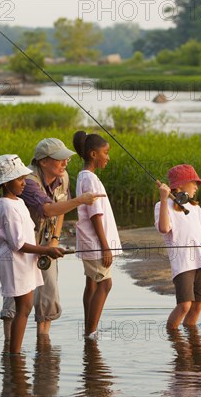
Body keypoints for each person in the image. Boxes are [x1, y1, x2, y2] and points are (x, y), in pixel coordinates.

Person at [0, 138, 104, 340]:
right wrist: (81, 200)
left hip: (47, 241)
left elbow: (61, 208)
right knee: (17, 295)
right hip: (21, 244)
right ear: (43, 161)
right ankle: (9, 345)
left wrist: (55, 239)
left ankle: (43, 343)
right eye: (59, 159)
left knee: (48, 291)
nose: (65, 162)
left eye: (66, 158)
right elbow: (47, 210)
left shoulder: (63, 177)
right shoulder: (28, 181)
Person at [0, 154, 65, 354]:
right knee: (23, 308)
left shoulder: (18, 202)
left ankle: (15, 355)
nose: (24, 183)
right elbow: (18, 244)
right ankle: (15, 355)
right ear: (6, 183)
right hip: (15, 264)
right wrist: (46, 250)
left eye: (23, 178)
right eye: (19, 179)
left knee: (26, 307)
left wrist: (44, 250)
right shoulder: (7, 206)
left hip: (25, 262)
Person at [155, 164, 201, 329]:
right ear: (179, 186)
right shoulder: (161, 206)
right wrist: (164, 199)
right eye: (194, 182)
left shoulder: (195, 207)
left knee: (198, 305)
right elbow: (164, 228)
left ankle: (191, 340)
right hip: (183, 263)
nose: (197, 186)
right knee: (185, 305)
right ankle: (173, 336)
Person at [72, 131, 122, 339]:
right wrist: (105, 246)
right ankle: (91, 333)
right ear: (93, 154)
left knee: (92, 283)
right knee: (105, 284)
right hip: (95, 243)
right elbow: (95, 215)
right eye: (105, 152)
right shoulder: (90, 179)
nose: (108, 157)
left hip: (89, 242)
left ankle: (88, 329)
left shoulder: (84, 177)